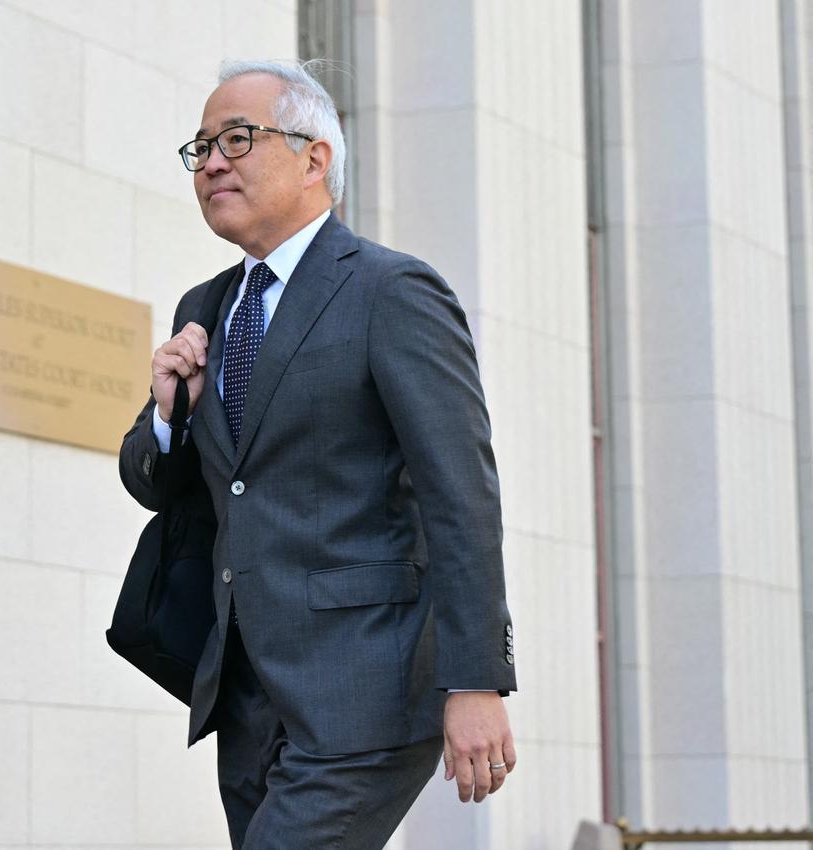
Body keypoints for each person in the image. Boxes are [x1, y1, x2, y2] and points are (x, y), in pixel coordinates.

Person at [118, 59, 518, 849]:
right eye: (201, 148)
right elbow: (155, 481)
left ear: (314, 157)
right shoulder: (206, 307)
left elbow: (460, 491)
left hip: (367, 685)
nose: (214, 163)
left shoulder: (390, 291)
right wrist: (168, 416)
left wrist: (476, 680)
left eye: (238, 138)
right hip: (245, 693)